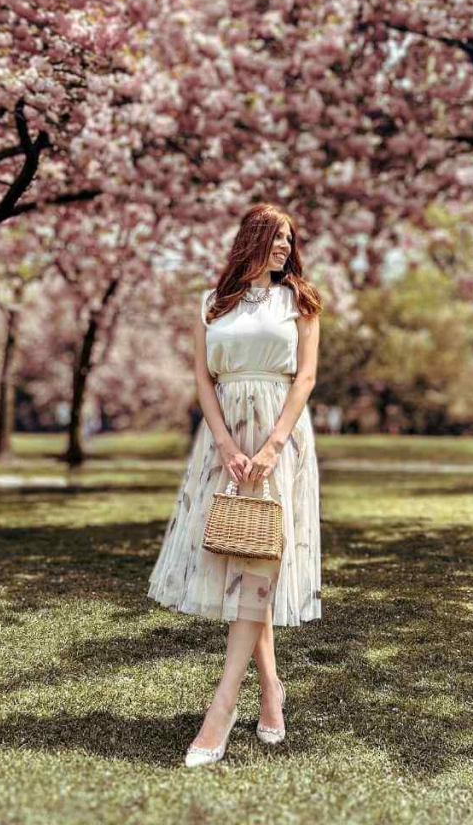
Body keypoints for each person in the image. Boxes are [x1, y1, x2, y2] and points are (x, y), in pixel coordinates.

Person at [147, 203, 322, 767]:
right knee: (243, 558)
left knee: (262, 560)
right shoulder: (210, 303)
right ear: (252, 238)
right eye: (275, 237)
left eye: (289, 239)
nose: (283, 247)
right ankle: (271, 690)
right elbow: (202, 377)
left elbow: (306, 378)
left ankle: (219, 712)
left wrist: (271, 448)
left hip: (279, 435)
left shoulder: (301, 301)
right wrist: (225, 444)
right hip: (222, 436)